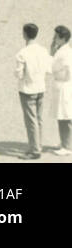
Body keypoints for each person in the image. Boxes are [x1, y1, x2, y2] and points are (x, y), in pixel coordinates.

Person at [15, 21, 51, 160]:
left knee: (30, 120)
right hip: (41, 87)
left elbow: (19, 74)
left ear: (24, 34)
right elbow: (48, 69)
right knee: (38, 118)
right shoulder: (43, 50)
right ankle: (38, 144)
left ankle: (35, 150)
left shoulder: (22, 53)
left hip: (27, 89)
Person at [51, 25, 72, 157]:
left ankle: (67, 146)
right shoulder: (62, 50)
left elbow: (68, 70)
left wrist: (61, 76)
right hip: (61, 85)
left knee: (65, 117)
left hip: (64, 86)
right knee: (61, 116)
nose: (53, 39)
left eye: (56, 37)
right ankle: (65, 142)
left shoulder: (65, 52)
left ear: (63, 38)